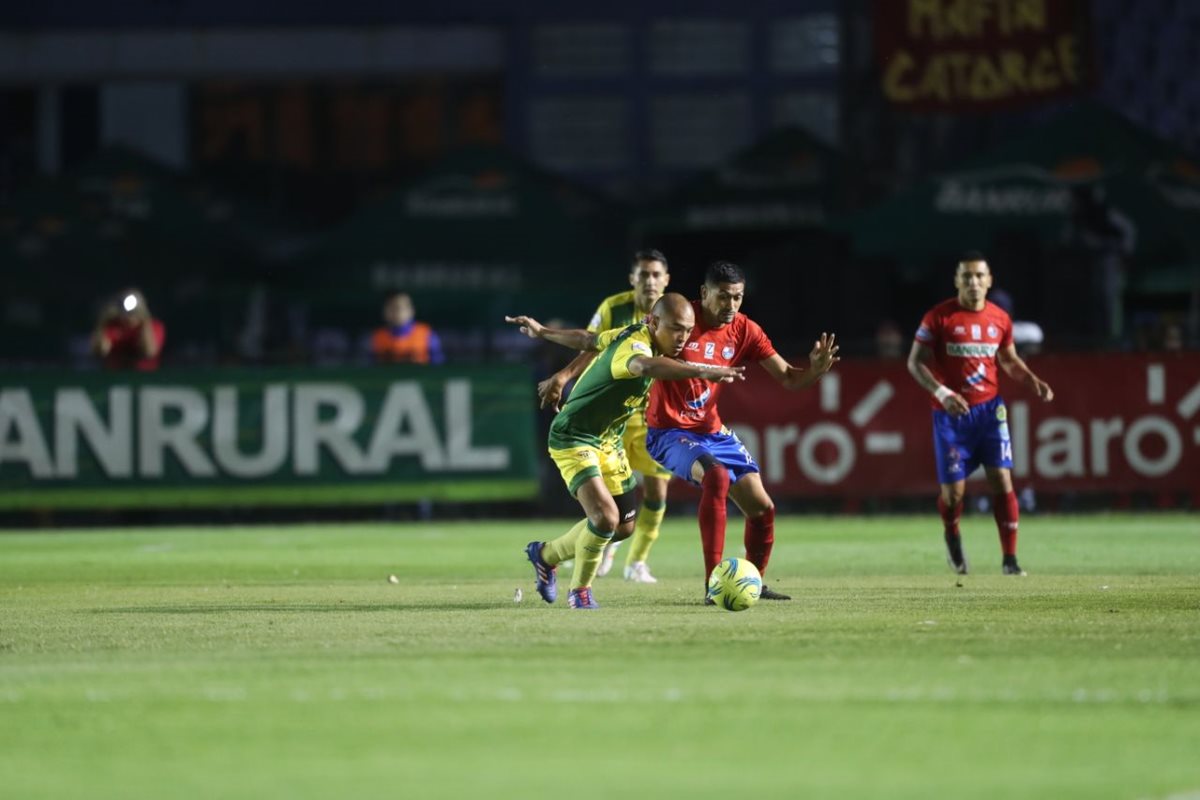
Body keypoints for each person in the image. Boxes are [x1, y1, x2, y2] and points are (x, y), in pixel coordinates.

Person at [505, 293, 744, 610]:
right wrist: (700, 370)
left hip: (608, 441)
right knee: (604, 517)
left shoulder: (628, 332)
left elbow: (589, 340)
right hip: (574, 436)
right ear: (654, 322)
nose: (682, 337)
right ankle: (580, 593)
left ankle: (545, 556)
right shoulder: (635, 346)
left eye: (687, 330)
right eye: (675, 329)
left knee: (622, 527)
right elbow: (643, 366)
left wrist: (544, 332)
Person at [643, 261, 839, 602]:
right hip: (669, 433)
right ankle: (712, 584)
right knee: (716, 478)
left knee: (763, 509)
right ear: (704, 294)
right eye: (723, 297)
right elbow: (639, 354)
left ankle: (753, 582)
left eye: (737, 298)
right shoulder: (678, 318)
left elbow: (790, 378)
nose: (731, 306)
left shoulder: (745, 330)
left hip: (712, 432)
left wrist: (815, 371)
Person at [906, 252, 1055, 577]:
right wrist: (942, 394)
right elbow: (914, 362)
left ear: (989, 281)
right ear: (957, 281)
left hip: (989, 412)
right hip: (951, 415)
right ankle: (952, 533)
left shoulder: (1000, 319)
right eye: (967, 276)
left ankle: (1010, 560)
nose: (973, 282)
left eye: (979, 276)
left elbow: (1009, 359)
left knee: (1002, 479)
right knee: (954, 494)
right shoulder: (938, 318)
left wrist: (1032, 380)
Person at [536, 249, 673, 584]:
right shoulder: (614, 308)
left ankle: (636, 563)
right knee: (607, 509)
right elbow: (591, 343)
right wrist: (564, 376)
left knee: (655, 492)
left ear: (666, 280)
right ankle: (599, 547)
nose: (650, 281)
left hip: (648, 415)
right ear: (633, 279)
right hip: (607, 415)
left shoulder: (675, 314)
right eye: (644, 274)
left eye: (656, 275)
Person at [90, 288, 165, 371]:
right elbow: (101, 351)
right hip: (115, 377)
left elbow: (149, 352)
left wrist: (145, 322)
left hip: (145, 377)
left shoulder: (154, 326)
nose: (130, 314)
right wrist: (103, 321)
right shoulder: (112, 326)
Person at [369, 292, 444, 364]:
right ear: (384, 311)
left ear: (412, 310)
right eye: (392, 307)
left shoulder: (427, 334)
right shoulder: (372, 338)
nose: (398, 311)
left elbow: (438, 364)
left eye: (403, 307)